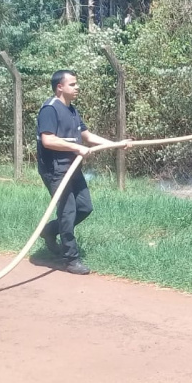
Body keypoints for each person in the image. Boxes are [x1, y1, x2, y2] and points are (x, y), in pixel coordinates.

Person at [37, 70, 130, 275]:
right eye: (72, 84)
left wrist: (116, 144)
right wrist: (76, 148)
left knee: (85, 207)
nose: (77, 87)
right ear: (59, 87)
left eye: (76, 84)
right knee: (68, 212)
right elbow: (48, 140)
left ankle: (50, 231)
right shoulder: (50, 109)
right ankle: (70, 259)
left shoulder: (72, 110)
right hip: (56, 170)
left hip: (72, 167)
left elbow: (86, 136)